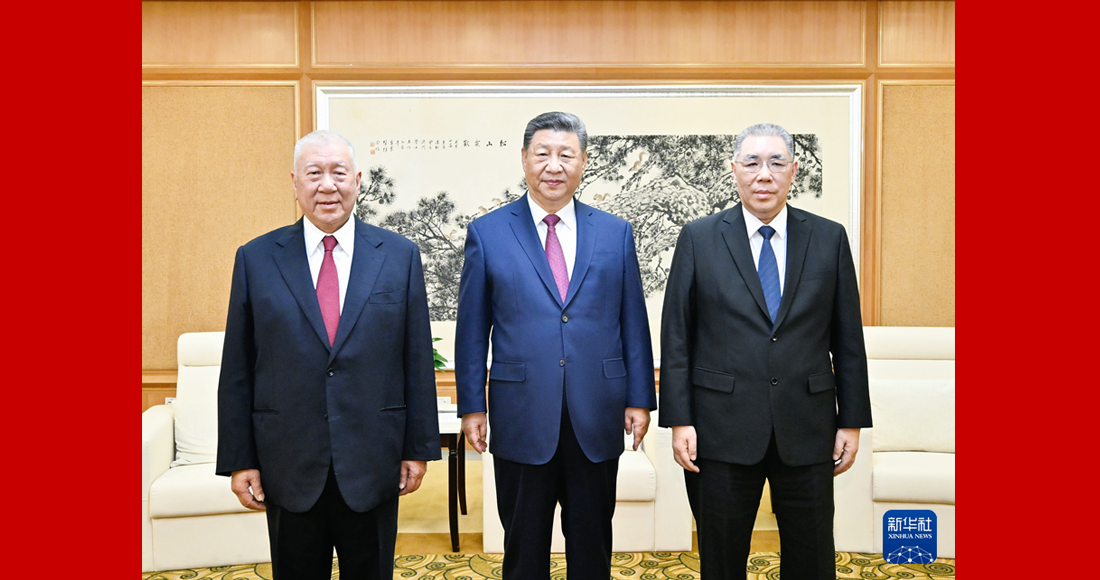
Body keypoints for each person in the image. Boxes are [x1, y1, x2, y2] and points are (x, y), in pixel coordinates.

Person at [215, 130, 441, 580]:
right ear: (294, 183)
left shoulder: (399, 256)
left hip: (373, 461)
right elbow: (238, 367)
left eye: (339, 173)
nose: (327, 185)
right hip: (288, 462)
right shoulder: (256, 258)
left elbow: (415, 360)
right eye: (314, 173)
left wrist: (417, 449)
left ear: (358, 180)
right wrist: (240, 459)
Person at [659, 123, 872, 580]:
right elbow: (677, 335)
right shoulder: (698, 238)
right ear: (734, 169)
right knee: (721, 559)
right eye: (752, 162)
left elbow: (848, 340)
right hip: (720, 427)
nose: (764, 174)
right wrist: (680, 420)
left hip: (807, 425)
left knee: (813, 558)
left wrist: (851, 421)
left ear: (793, 171)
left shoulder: (828, 238)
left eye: (776, 162)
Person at [455, 111, 657, 580]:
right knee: (524, 548)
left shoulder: (615, 232)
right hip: (521, 413)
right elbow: (472, 329)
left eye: (566, 154)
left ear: (583, 162)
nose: (554, 165)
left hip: (597, 412)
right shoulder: (487, 232)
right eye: (542, 153)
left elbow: (633, 322)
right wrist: (472, 406)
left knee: (592, 547)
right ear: (524, 159)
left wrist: (639, 399)